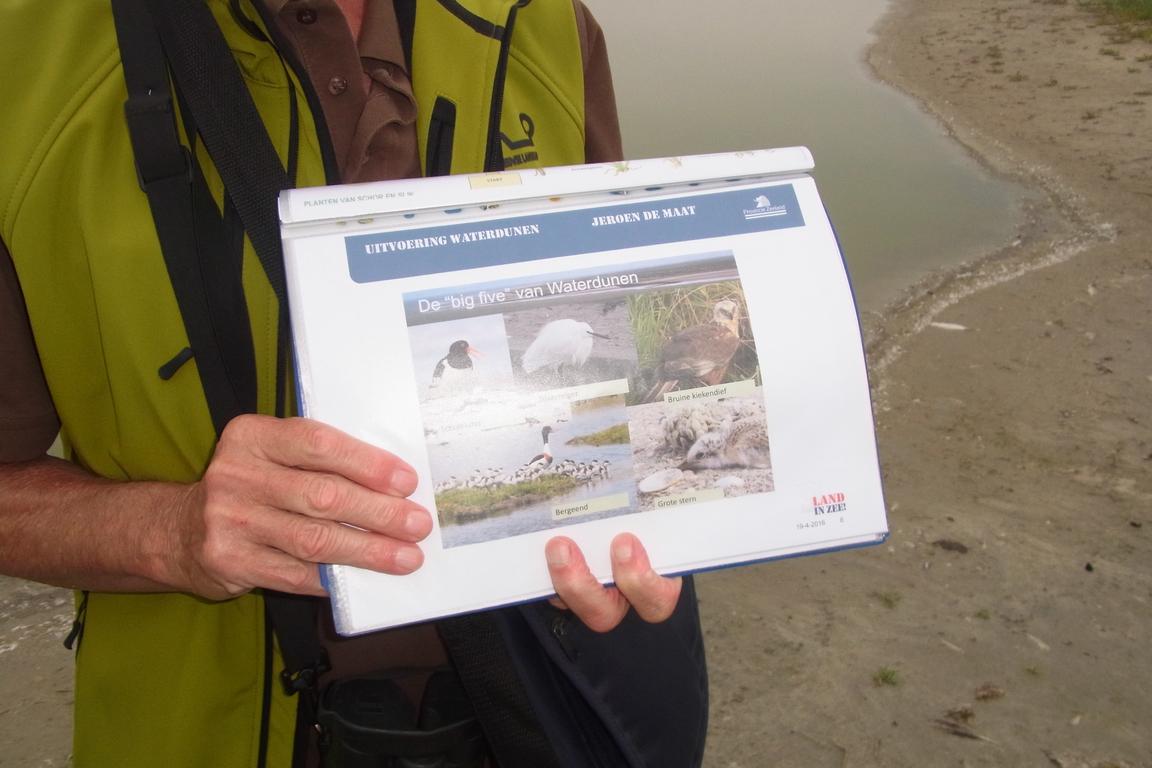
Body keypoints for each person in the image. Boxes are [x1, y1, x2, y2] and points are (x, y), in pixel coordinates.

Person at [0, 1, 709, 767]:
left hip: (537, 710)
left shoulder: (548, 25)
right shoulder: (27, 49)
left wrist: (635, 526)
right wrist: (168, 533)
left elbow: (612, 330)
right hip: (199, 725)